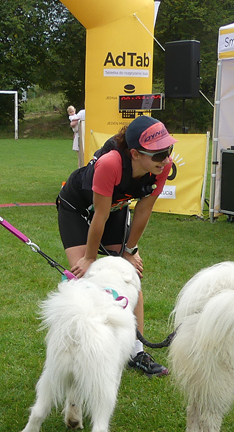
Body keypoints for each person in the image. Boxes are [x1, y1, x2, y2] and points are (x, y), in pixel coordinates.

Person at [56, 115, 175, 376]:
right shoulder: (110, 163)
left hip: (114, 209)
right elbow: (99, 216)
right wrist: (89, 257)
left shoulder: (163, 166)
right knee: (85, 277)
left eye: (168, 150)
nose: (165, 159)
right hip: (77, 209)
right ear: (135, 154)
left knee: (130, 277)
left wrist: (130, 251)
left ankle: (136, 352)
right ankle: (85, 345)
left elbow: (143, 211)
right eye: (158, 154)